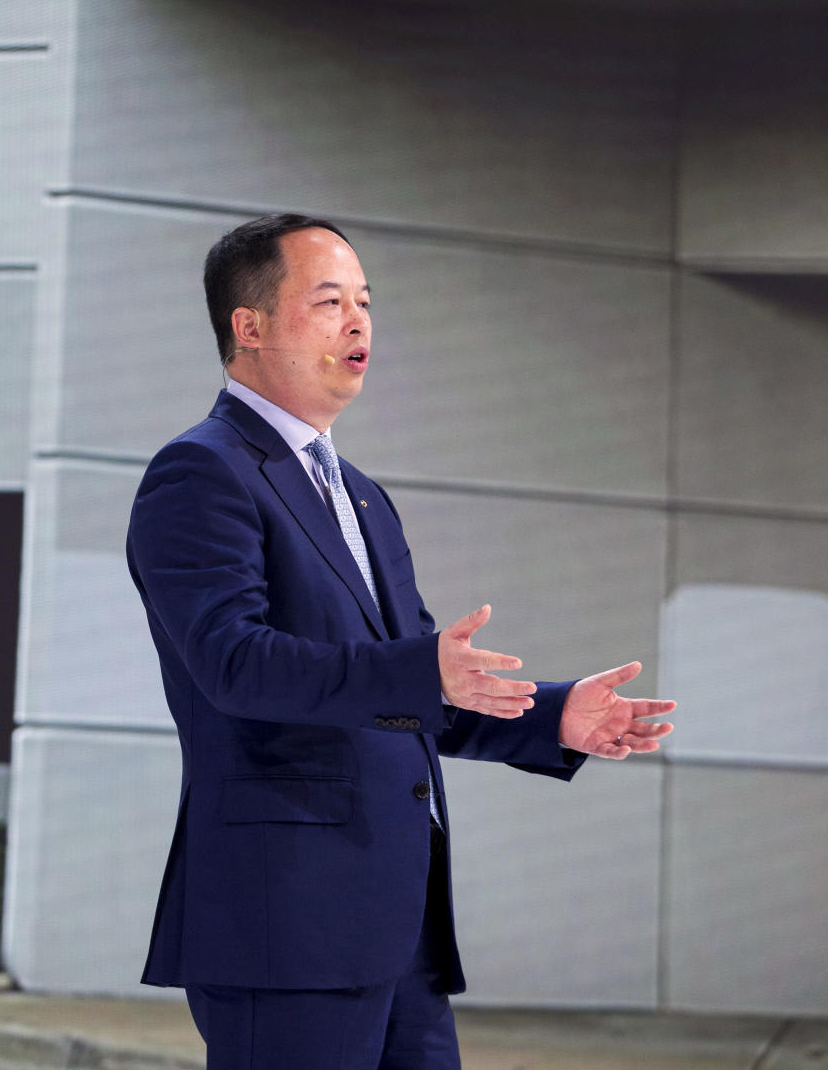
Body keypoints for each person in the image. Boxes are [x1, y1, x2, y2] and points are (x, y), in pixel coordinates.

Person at [126, 213, 675, 1070]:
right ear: (251, 325)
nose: (358, 322)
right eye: (330, 299)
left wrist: (554, 718)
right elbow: (234, 661)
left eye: (366, 302)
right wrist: (422, 670)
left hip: (399, 929)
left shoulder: (362, 495)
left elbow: (412, 693)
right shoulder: (201, 471)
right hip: (288, 922)